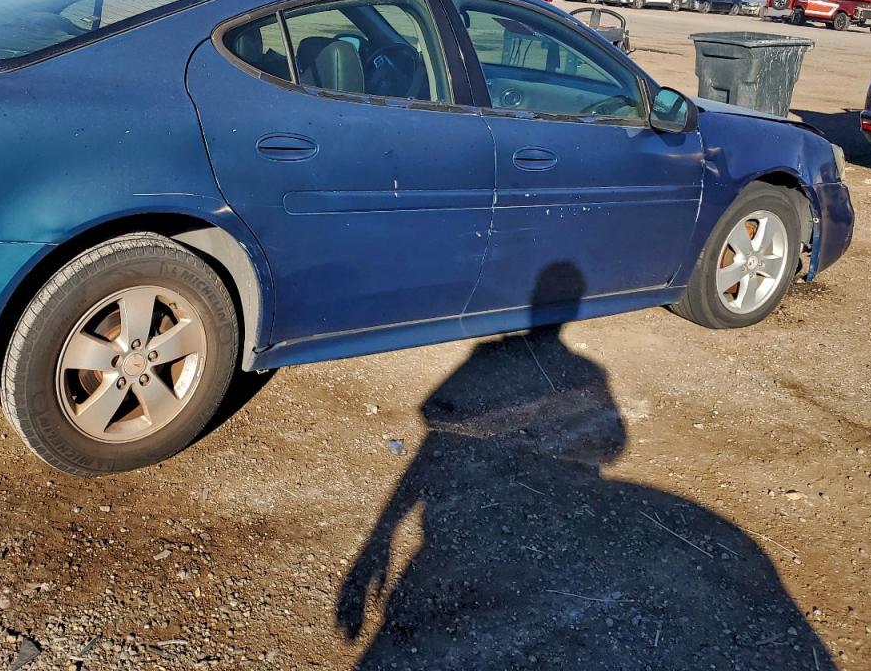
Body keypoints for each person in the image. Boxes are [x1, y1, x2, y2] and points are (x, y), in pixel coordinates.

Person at [338, 262, 833, 670]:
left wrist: (378, 542)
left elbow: (435, 433)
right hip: (526, 524)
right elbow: (612, 444)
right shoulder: (582, 373)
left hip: (468, 525)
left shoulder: (489, 359)